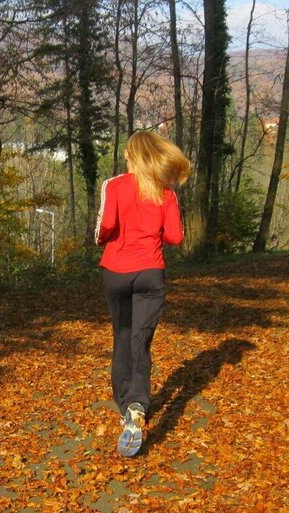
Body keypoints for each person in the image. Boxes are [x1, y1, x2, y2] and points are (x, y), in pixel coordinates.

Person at [95, 130, 189, 457]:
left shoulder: (114, 186)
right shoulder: (165, 193)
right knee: (141, 339)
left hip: (116, 271)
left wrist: (106, 238)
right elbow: (176, 236)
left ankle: (127, 408)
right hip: (151, 272)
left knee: (122, 336)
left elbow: (105, 227)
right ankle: (137, 404)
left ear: (131, 155)